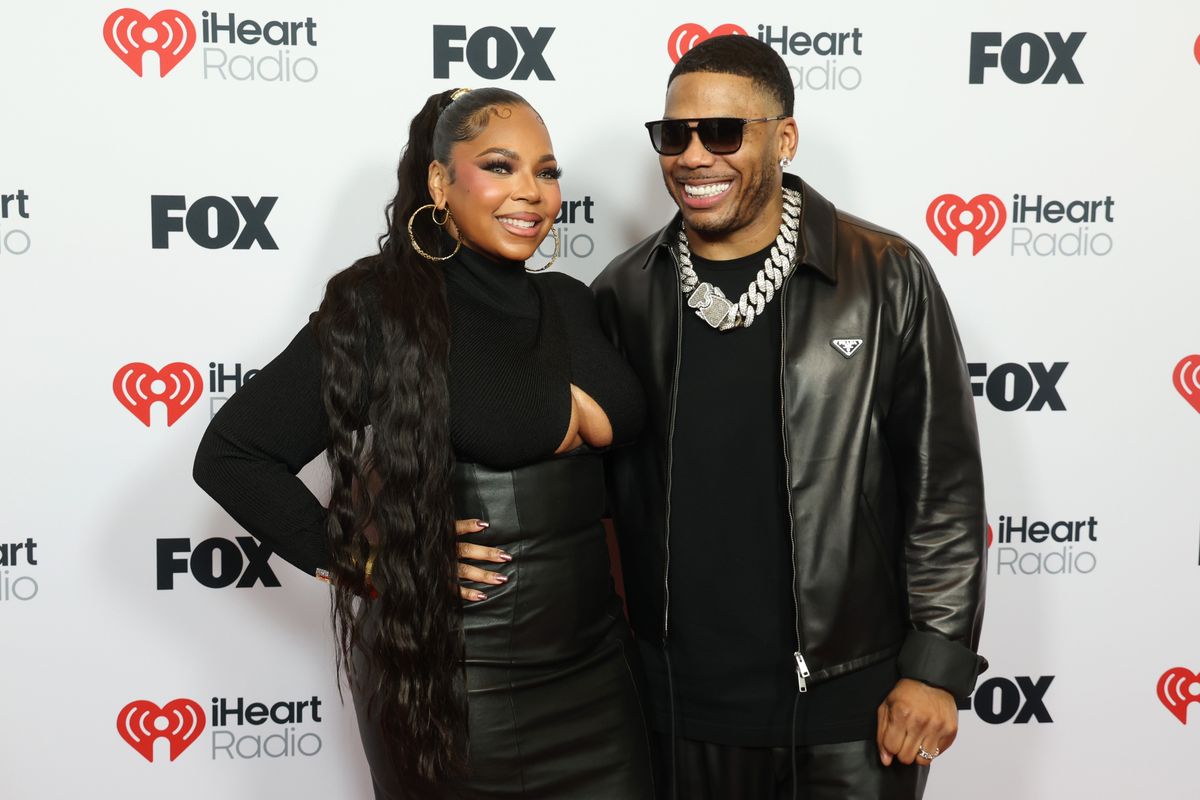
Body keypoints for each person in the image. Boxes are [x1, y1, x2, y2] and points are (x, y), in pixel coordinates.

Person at [192, 87, 654, 799]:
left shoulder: (569, 301)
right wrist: (376, 562)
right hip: (456, 698)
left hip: (598, 679)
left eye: (548, 170)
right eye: (501, 166)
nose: (531, 192)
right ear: (440, 182)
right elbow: (232, 455)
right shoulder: (383, 308)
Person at [589, 35, 988, 799]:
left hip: (853, 711)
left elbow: (944, 490)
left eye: (724, 132)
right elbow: (589, 492)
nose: (694, 155)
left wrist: (936, 667)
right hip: (676, 712)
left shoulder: (884, 276)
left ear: (785, 137)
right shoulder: (623, 295)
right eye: (674, 135)